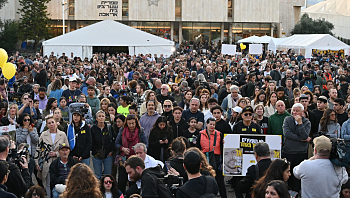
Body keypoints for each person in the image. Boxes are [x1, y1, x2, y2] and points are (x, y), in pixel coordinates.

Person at [35, 115, 69, 198]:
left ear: (56, 123)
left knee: (59, 184)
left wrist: (57, 154)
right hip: (47, 162)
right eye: (49, 123)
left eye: (52, 122)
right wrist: (37, 163)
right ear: (47, 125)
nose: (51, 124)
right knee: (47, 183)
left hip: (59, 162)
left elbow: (67, 148)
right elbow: (38, 149)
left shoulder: (62, 134)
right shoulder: (43, 135)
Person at [115, 115, 148, 194]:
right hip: (124, 160)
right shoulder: (122, 131)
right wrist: (122, 148)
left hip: (136, 160)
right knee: (122, 181)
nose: (131, 125)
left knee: (134, 181)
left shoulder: (140, 131)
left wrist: (138, 149)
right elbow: (116, 143)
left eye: (133, 123)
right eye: (129, 123)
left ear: (136, 123)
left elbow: (146, 145)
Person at [282, 103, 311, 192]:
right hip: (288, 151)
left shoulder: (306, 122)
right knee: (287, 174)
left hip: (301, 153)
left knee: (298, 176)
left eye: (297, 111)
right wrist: (301, 139)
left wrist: (300, 123)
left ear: (302, 112)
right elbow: (287, 133)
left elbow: (304, 136)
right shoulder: (287, 119)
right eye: (293, 111)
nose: (294, 113)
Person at [196, 118, 227, 198]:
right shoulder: (201, 134)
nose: (212, 126)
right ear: (206, 124)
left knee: (220, 181)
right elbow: (198, 148)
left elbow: (222, 148)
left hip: (217, 159)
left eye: (213, 124)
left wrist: (223, 162)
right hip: (205, 158)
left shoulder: (219, 134)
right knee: (205, 180)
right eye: (210, 124)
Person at [16, 113, 39, 185]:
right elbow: (20, 141)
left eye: (28, 120)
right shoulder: (18, 130)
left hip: (33, 154)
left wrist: (31, 131)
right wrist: (25, 130)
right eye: (25, 120)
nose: (27, 121)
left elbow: (36, 140)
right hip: (23, 156)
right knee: (27, 176)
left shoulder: (34, 129)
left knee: (37, 175)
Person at [91, 110, 114, 179]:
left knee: (108, 175)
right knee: (98, 175)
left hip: (108, 155)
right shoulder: (93, 129)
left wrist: (111, 151)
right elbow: (91, 142)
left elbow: (113, 140)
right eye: (99, 116)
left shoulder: (109, 128)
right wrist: (95, 153)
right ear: (96, 118)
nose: (101, 118)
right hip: (97, 155)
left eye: (103, 116)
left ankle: (107, 189)